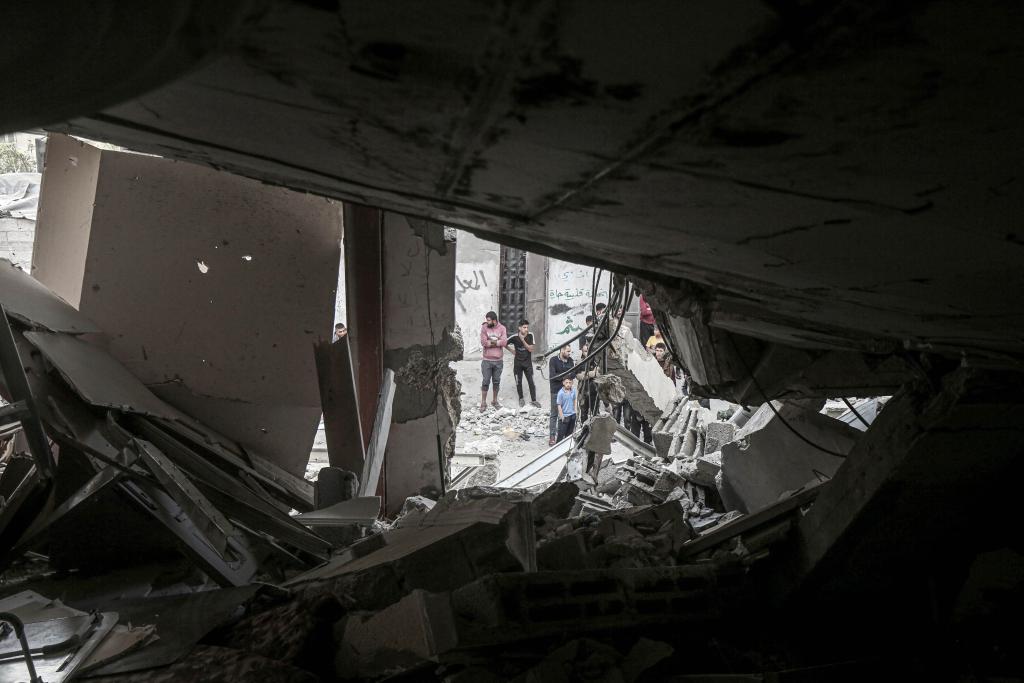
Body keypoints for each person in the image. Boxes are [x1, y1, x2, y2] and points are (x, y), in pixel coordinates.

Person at [506, 319, 540, 408]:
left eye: (527, 327)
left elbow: (530, 349)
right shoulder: (514, 337)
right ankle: (521, 398)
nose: (526, 329)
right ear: (519, 328)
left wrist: (523, 340)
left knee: (531, 382)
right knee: (518, 382)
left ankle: (534, 400)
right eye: (524, 327)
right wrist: (511, 350)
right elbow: (504, 343)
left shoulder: (530, 335)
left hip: (528, 364)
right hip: (518, 364)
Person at [479, 311, 507, 410]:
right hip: (487, 360)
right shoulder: (484, 327)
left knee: (496, 381)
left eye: (489, 320)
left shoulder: (502, 328)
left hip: (498, 361)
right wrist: (497, 342)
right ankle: (483, 403)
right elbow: (483, 342)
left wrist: (490, 342)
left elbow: (504, 342)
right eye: (487, 320)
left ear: (494, 320)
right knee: (485, 381)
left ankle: (494, 401)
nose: (487, 322)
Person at [547, 344, 574, 445]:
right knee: (554, 414)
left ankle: (562, 437)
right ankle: (552, 437)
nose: (569, 353)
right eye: (568, 351)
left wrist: (563, 376)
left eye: (570, 351)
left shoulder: (570, 360)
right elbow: (553, 376)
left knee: (565, 414)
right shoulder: (553, 360)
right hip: (555, 391)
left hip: (567, 392)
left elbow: (573, 374)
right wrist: (566, 376)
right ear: (562, 350)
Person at [576, 344, 600, 423]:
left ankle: (596, 430)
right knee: (583, 414)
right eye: (586, 351)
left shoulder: (596, 362)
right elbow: (578, 376)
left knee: (596, 415)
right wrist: (591, 373)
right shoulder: (579, 362)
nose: (588, 353)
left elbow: (598, 374)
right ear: (582, 352)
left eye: (590, 351)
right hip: (583, 392)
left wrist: (585, 374)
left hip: (594, 392)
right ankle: (584, 429)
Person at [556, 376, 578, 442]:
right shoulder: (561, 393)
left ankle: (566, 446)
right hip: (565, 416)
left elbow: (574, 400)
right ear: (563, 383)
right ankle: (558, 446)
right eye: (566, 382)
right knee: (561, 434)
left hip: (572, 415)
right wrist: (561, 416)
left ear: (572, 383)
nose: (568, 384)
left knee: (569, 434)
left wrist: (575, 411)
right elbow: (559, 405)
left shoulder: (573, 391)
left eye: (570, 382)